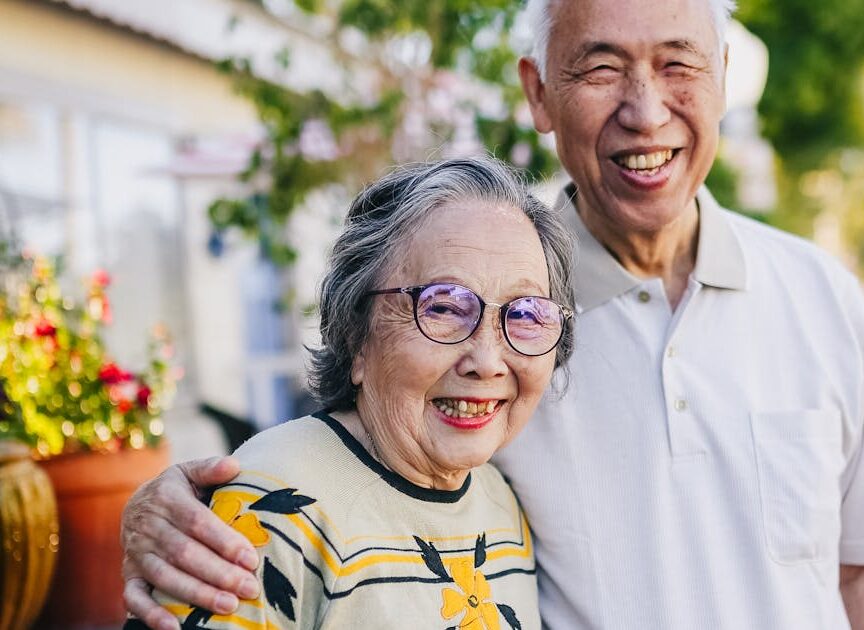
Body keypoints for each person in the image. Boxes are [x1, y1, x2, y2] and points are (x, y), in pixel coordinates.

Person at [122, 1, 864, 628]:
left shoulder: (821, 293)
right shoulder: (499, 322)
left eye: (679, 65)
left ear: (723, 79)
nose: (646, 111)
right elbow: (353, 457)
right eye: (601, 68)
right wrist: (175, 508)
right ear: (538, 93)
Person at [124, 157, 576, 628]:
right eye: (442, 307)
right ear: (356, 335)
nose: (486, 361)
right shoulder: (270, 508)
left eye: (525, 314)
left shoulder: (503, 503)